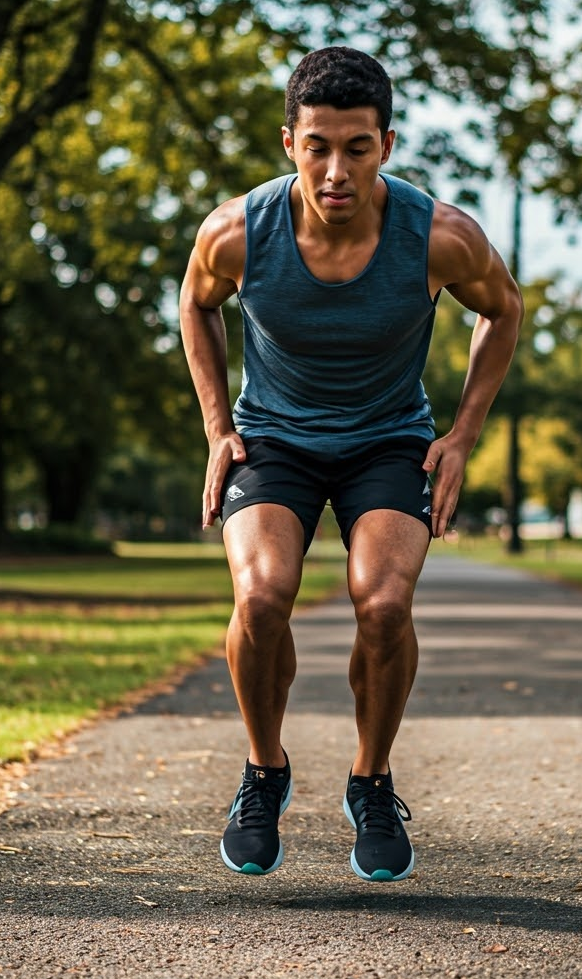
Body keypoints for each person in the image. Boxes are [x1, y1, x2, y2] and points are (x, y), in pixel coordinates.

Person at [179, 46, 522, 882]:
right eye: (319, 146)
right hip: (276, 441)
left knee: (384, 603)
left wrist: (463, 436)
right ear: (288, 142)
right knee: (261, 595)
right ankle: (265, 774)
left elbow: (503, 310)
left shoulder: (440, 236)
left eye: (357, 148)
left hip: (388, 439)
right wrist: (219, 428)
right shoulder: (237, 232)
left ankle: (370, 783)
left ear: (388, 146)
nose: (337, 171)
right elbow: (196, 302)